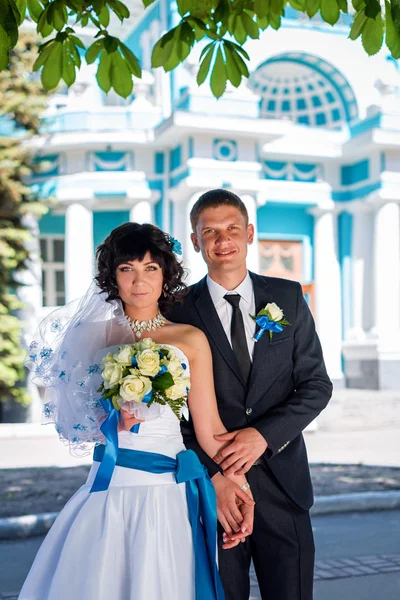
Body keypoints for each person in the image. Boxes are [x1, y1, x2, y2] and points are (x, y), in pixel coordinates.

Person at [19, 222, 254, 600]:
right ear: (113, 277)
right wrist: (108, 422)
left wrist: (238, 483)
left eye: (150, 268)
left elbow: (209, 429)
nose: (139, 280)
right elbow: (75, 421)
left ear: (166, 275)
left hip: (167, 489)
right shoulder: (93, 336)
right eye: (127, 269)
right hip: (111, 481)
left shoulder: (189, 339)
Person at [168, 189, 333, 600]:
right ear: (195, 241)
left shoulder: (289, 297)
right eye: (210, 232)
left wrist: (263, 435)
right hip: (214, 490)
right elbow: (171, 409)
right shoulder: (176, 310)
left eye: (232, 229)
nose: (223, 240)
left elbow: (316, 385)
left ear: (250, 234)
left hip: (283, 486)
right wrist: (215, 473)